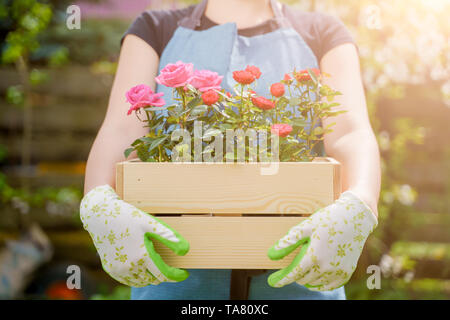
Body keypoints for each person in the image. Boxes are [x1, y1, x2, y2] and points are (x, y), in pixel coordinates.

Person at [80, 0, 381, 300]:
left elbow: (349, 133)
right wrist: (99, 202)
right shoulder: (153, 30)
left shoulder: (323, 32)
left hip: (298, 285)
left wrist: (360, 202)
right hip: (177, 288)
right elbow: (122, 130)